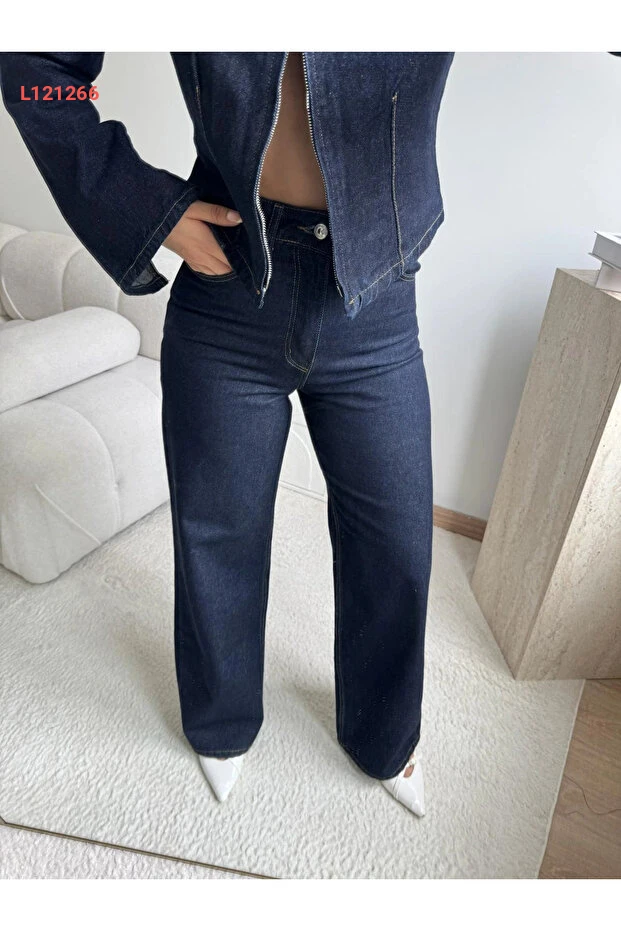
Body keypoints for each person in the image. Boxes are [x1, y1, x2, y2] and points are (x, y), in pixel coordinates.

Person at [0, 50, 463, 817]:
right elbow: (33, 61)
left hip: (376, 300)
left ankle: (386, 734)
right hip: (228, 286)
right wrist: (141, 204)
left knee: (395, 541)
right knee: (217, 529)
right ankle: (220, 722)